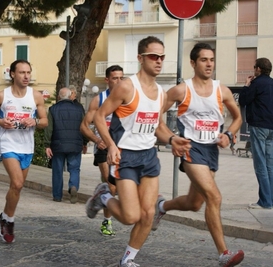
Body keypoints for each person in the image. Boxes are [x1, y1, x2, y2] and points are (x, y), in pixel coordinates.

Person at [86, 36, 191, 267]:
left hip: (149, 156)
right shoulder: (126, 86)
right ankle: (103, 196)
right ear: (140, 58)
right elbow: (99, 117)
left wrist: (172, 139)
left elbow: (159, 127)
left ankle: (127, 260)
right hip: (125, 156)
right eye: (154, 56)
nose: (159, 61)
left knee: (148, 214)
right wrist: (111, 145)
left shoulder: (162, 93)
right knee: (130, 216)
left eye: (162, 57)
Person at [152, 43, 244, 267]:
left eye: (211, 59)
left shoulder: (222, 90)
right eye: (204, 60)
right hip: (192, 149)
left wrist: (229, 135)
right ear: (193, 63)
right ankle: (223, 253)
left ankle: (161, 207)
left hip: (212, 150)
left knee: (194, 203)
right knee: (215, 197)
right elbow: (153, 113)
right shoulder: (182, 90)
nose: (209, 64)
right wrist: (171, 137)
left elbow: (237, 118)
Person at [0, 59, 47, 243]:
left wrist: (34, 121)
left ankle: (4, 216)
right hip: (8, 144)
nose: (26, 76)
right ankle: (9, 222)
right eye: (22, 73)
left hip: (27, 146)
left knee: (16, 188)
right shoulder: (2, 96)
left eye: (28, 72)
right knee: (17, 183)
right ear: (12, 74)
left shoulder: (35, 96)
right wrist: (0, 121)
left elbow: (44, 121)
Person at [80, 65, 124, 236]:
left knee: (118, 187)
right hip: (104, 147)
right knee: (112, 186)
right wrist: (98, 140)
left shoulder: (127, 99)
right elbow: (84, 126)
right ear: (107, 80)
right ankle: (107, 222)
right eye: (115, 78)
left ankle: (101, 195)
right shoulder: (99, 100)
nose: (119, 81)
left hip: (122, 147)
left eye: (121, 78)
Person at [239, 57, 273, 209]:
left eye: (254, 67)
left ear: (259, 69)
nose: (253, 69)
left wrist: (246, 85)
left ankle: (265, 201)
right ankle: (270, 199)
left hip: (259, 126)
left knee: (260, 164)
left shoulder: (256, 83)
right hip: (271, 128)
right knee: (270, 165)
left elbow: (243, 100)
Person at [44, 87, 86, 204]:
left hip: (58, 145)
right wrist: (85, 142)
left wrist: (47, 144)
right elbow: (84, 127)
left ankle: (57, 195)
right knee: (75, 169)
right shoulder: (78, 109)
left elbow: (49, 129)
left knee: (57, 170)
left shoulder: (53, 109)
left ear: (59, 97)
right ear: (69, 96)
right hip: (75, 144)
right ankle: (73, 186)